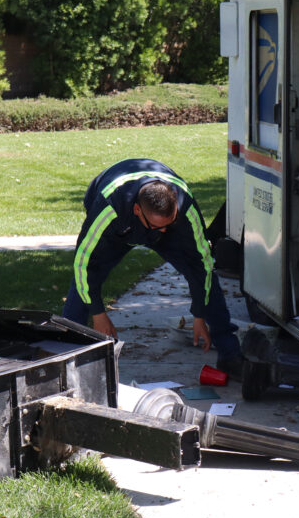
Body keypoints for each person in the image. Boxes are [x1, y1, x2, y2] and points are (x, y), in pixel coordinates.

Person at [62, 158, 244, 378]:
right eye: (158, 227)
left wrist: (199, 315)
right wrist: (98, 314)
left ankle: (230, 353)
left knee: (206, 277)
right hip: (119, 228)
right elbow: (83, 263)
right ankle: (67, 362)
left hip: (153, 218)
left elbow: (202, 265)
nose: (163, 232)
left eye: (170, 223)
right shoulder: (108, 206)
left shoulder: (185, 208)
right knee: (84, 283)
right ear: (138, 210)